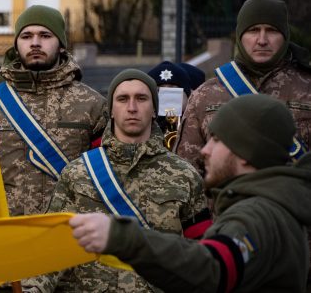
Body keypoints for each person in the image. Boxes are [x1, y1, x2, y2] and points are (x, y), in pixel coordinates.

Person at [70, 94, 311, 293]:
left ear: (245, 151)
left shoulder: (258, 215)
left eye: (216, 140)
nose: (205, 150)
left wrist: (122, 237)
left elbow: (214, 268)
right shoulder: (274, 206)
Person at [49, 69, 206, 292]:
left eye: (141, 99)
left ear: (154, 110)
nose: (132, 108)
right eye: (122, 99)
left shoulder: (185, 175)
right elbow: (52, 248)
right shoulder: (78, 173)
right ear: (111, 110)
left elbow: (200, 256)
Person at [0, 5, 107, 291]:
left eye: (45, 35)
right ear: (16, 44)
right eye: (26, 35)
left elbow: (108, 176)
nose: (35, 42)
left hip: (71, 252)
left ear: (61, 44)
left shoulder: (92, 105)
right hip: (5, 251)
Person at [176, 0, 311, 176]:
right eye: (253, 30)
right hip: (225, 203)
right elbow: (187, 173)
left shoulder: (307, 88)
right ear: (240, 35)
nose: (262, 40)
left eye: (271, 30)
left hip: (292, 202)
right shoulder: (206, 95)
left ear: (285, 36)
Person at [147, 61, 191, 150]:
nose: (167, 97)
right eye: (159, 90)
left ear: (188, 96)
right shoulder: (144, 125)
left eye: (173, 90)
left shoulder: (197, 124)